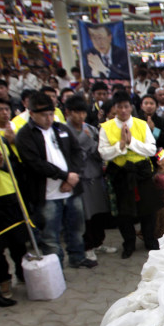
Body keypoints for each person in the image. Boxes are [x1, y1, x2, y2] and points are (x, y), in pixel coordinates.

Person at [15, 92, 97, 268]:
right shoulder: (25, 135)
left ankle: (77, 257)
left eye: (51, 114)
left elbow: (76, 152)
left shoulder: (61, 129)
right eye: (43, 115)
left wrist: (73, 176)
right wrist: (64, 176)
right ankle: (55, 265)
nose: (48, 118)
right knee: (50, 234)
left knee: (76, 227)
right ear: (31, 114)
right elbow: (35, 163)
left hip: (72, 189)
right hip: (46, 193)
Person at [98, 91, 161, 258]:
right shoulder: (106, 127)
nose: (124, 110)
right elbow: (103, 153)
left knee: (148, 210)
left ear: (131, 107)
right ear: (115, 108)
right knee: (123, 213)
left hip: (141, 172)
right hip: (120, 173)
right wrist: (120, 145)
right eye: (120, 107)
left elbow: (151, 149)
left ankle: (149, 239)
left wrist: (131, 142)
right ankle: (129, 243)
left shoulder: (141, 124)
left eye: (126, 106)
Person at [63, 96, 115, 261]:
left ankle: (99, 243)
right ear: (68, 113)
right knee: (85, 216)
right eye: (77, 113)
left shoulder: (90, 128)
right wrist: (87, 143)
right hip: (80, 179)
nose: (81, 116)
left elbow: (100, 149)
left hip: (96, 175)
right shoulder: (64, 132)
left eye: (83, 113)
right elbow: (69, 156)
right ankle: (87, 247)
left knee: (99, 213)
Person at [0, 103, 27, 296]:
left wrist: (5, 158)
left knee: (18, 240)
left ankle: (23, 272)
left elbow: (15, 165)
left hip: (10, 196)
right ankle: (4, 279)